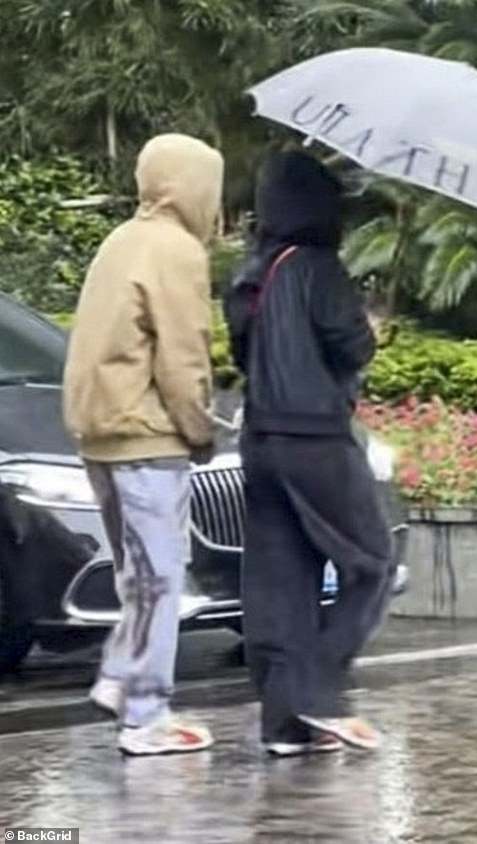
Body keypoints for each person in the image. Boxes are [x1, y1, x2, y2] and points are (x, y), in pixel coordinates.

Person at [225, 151, 394, 757]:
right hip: (315, 435)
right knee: (372, 563)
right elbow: (350, 347)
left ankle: (283, 724)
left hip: (261, 438)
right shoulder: (321, 267)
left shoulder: (254, 270)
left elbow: (244, 351)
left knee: (281, 580)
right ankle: (318, 693)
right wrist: (369, 325)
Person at [63, 133, 223, 756]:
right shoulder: (177, 251)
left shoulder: (120, 240)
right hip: (147, 436)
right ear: (191, 186)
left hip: (99, 432)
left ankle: (117, 679)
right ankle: (146, 715)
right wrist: (200, 431)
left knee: (135, 575)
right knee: (161, 577)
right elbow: (183, 359)